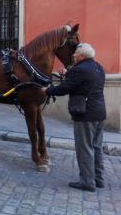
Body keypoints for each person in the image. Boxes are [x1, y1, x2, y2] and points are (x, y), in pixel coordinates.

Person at [43, 43, 106, 192]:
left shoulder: (80, 70)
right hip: (99, 112)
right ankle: (99, 179)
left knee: (85, 148)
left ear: (82, 56)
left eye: (75, 54)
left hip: (85, 113)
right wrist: (68, 74)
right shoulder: (98, 67)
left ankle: (87, 182)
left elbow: (64, 88)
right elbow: (81, 83)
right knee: (96, 147)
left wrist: (47, 90)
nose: (73, 56)